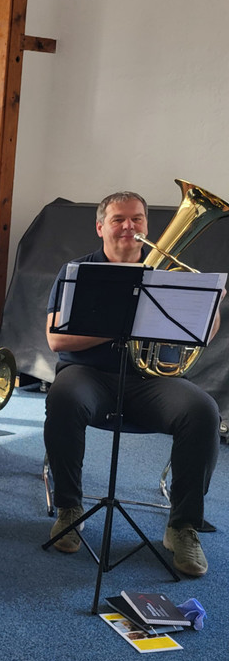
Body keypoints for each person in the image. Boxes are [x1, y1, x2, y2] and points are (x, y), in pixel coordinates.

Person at [44, 190, 222, 577]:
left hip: (149, 380)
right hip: (88, 374)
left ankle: (182, 526)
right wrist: (122, 324)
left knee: (203, 411)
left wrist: (208, 309)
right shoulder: (78, 271)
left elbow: (200, 337)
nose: (129, 226)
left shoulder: (170, 275)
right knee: (63, 397)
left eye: (137, 219)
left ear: (146, 225)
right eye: (118, 219)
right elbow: (56, 339)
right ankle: (69, 508)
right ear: (100, 227)